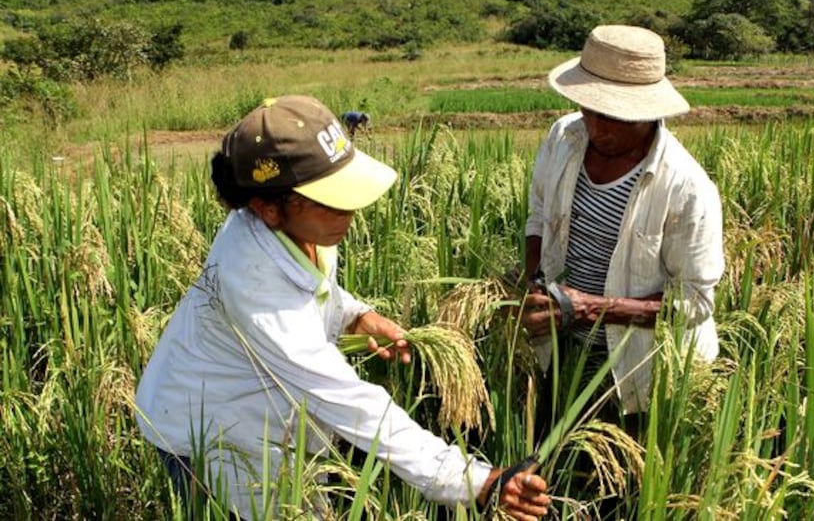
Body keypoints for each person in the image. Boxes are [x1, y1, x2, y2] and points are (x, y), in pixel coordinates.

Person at [135, 95, 550, 520]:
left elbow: (315, 288)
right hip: (210, 436)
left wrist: (354, 315)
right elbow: (346, 400)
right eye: (330, 200)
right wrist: (474, 481)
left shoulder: (298, 229)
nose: (349, 210)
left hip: (268, 418)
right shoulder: (253, 279)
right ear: (267, 209)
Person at [520, 25, 725, 436]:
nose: (596, 127)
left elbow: (695, 302)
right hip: (565, 348)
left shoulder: (685, 188)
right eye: (588, 109)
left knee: (625, 485)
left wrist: (589, 308)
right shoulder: (564, 137)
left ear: (649, 112)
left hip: (640, 367)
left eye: (612, 116)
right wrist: (534, 282)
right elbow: (539, 217)